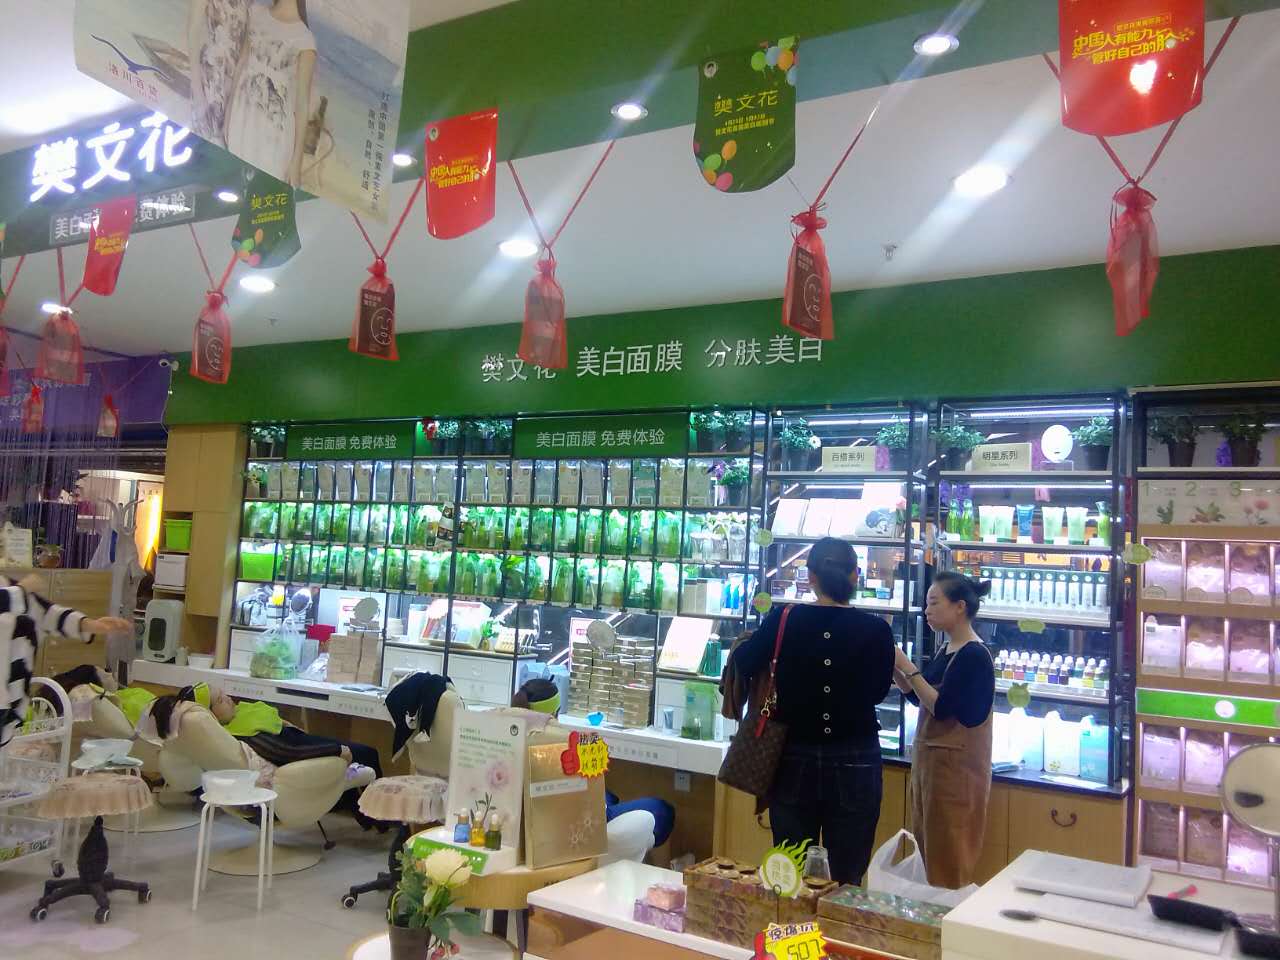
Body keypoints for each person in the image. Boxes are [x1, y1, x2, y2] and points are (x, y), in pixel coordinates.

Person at [727, 538, 895, 884]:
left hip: (793, 757)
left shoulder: (783, 619)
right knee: (847, 875)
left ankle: (791, 922)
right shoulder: (877, 629)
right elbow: (878, 692)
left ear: (811, 576)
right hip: (856, 759)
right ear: (855, 575)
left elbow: (744, 662)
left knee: (789, 871)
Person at [894, 571, 996, 888]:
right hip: (931, 768)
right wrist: (895, 668)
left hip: (956, 776)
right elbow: (919, 699)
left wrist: (907, 666)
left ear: (959, 607)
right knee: (929, 859)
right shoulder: (947, 649)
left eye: (934, 602)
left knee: (949, 861)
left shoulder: (974, 655)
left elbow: (941, 707)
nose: (927, 610)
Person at [511, 678, 675, 856]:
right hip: (580, 828)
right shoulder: (570, 744)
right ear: (555, 713)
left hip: (538, 829)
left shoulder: (507, 739)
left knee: (609, 795)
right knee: (663, 810)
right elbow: (591, 798)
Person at [0, 575, 131, 747]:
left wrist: (88, 625)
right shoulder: (15, 591)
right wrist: (20, 591)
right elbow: (16, 599)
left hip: (8, 707)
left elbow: (44, 612)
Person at [224, 0, 317, 185]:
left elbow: (302, 103)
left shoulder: (305, 39)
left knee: (262, 187)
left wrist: (296, 162)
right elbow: (242, 63)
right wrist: (228, 113)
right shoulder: (256, 13)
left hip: (274, 131)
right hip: (241, 115)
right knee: (235, 180)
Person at [187, 0, 250, 146]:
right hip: (210, 74)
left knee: (222, 141)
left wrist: (234, 98)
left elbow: (244, 53)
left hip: (234, 81)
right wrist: (197, 89)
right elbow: (192, 33)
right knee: (202, 135)